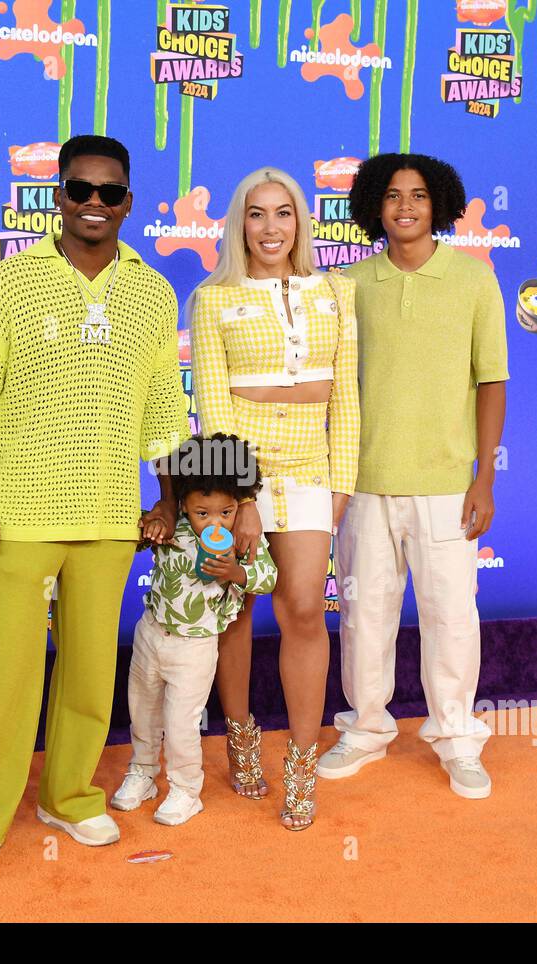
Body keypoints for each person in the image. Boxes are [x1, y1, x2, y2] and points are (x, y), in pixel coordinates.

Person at [0, 134, 191, 882]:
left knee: (89, 671)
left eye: (109, 193)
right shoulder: (11, 282)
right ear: (56, 194)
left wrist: (169, 494)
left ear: (128, 203)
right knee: (3, 672)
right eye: (79, 188)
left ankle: (70, 793)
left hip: (112, 511)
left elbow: (162, 405)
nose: (93, 202)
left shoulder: (152, 289)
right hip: (16, 509)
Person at [320, 152, 508, 799]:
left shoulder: (474, 278)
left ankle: (457, 737)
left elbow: (491, 380)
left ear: (441, 204)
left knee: (452, 617)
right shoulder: (348, 284)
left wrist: (483, 478)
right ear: (374, 204)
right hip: (365, 481)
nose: (405, 206)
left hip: (448, 485)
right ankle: (366, 729)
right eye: (394, 195)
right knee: (364, 614)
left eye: (419, 195)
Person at [188, 167, 359, 830]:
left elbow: (346, 399)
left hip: (313, 467)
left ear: (300, 222)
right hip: (242, 466)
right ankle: (239, 736)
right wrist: (242, 496)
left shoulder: (337, 293)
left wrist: (340, 490)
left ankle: (302, 764)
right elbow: (211, 402)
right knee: (236, 606)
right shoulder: (212, 297)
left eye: (282, 213)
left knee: (306, 608)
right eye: (255, 214)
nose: (270, 228)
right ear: (239, 224)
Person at [111, 434, 278, 826]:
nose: (216, 522)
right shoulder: (174, 526)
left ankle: (186, 790)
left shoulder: (240, 540)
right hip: (150, 634)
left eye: (227, 511)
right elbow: (137, 541)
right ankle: (143, 772)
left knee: (182, 723)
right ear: (184, 501)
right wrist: (147, 527)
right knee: (143, 713)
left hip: (196, 647)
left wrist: (237, 572)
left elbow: (268, 576)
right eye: (204, 513)